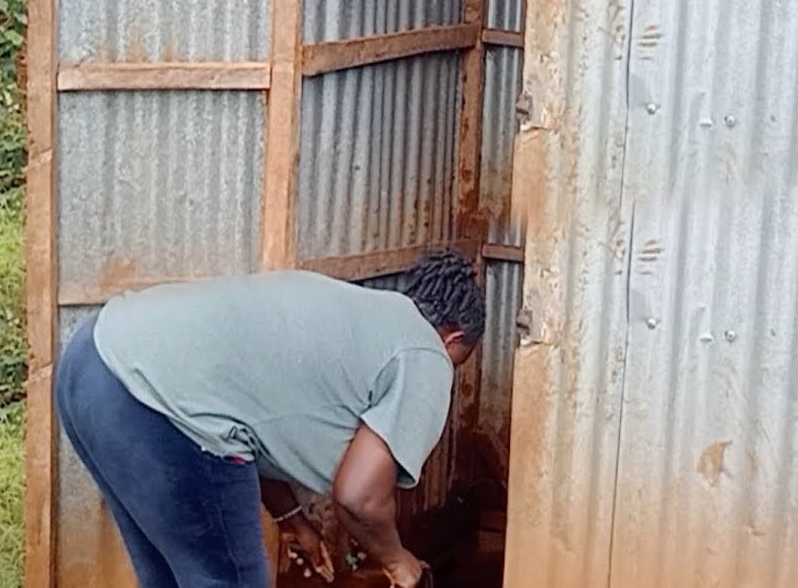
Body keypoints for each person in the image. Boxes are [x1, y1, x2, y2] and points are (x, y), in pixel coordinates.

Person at [54, 249, 486, 588]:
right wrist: (399, 563)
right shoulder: (427, 354)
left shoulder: (363, 313)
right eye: (458, 360)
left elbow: (248, 414)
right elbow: (360, 495)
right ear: (455, 339)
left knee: (169, 580)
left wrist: (293, 521)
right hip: (160, 406)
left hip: (93, 361)